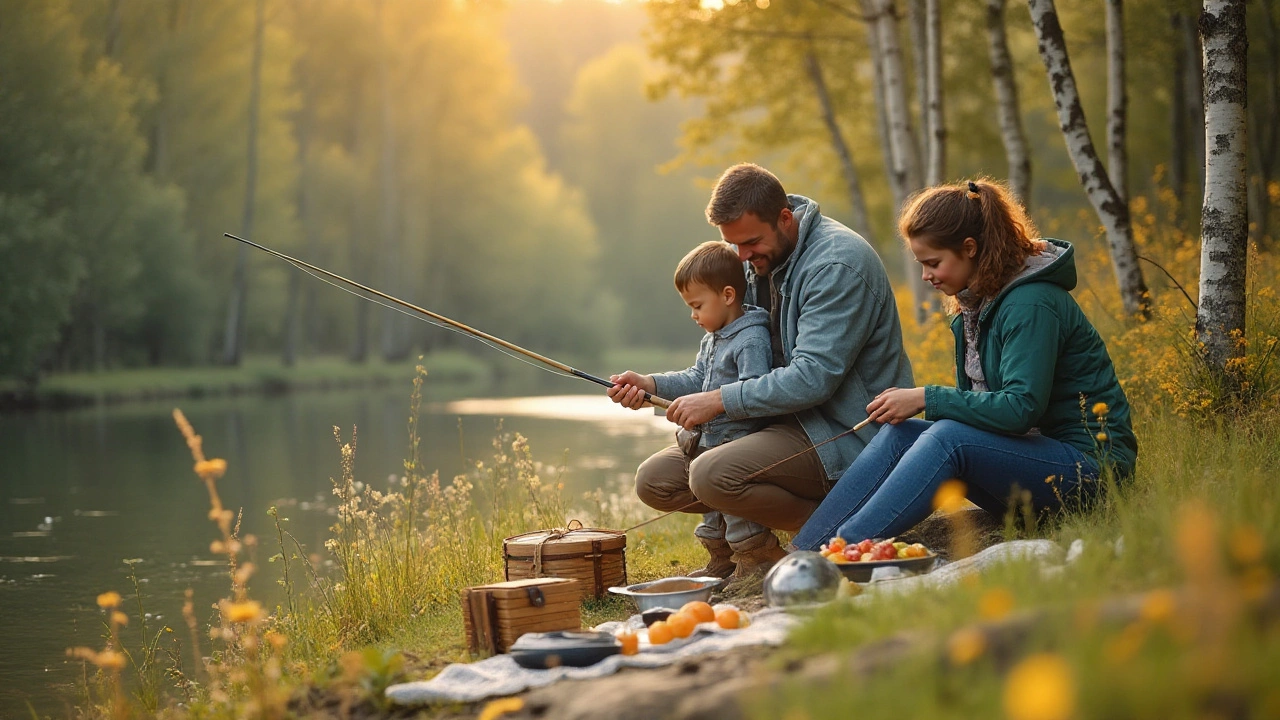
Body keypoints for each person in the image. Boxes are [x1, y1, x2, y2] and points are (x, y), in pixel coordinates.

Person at [793, 179, 1138, 552]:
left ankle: (838, 554)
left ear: (969, 249)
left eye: (933, 263)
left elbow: (1020, 408)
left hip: (1089, 473)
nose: (926, 276)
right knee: (900, 435)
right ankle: (803, 552)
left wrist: (927, 396)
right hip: (1031, 465)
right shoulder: (976, 305)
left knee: (947, 437)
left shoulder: (1030, 303)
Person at [609, 163, 913, 577]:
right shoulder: (757, 263)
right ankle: (732, 555)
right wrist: (650, 386)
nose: (743, 258)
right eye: (733, 245)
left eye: (751, 243)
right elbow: (713, 370)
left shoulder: (837, 265)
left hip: (847, 435)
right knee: (657, 480)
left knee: (712, 474)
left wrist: (717, 403)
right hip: (780, 426)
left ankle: (836, 528)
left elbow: (813, 378)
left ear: (785, 218)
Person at [644, 240, 773, 578]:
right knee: (713, 515)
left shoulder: (751, 339)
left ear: (728, 296)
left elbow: (755, 393)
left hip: (736, 445)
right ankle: (722, 560)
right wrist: (650, 384)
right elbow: (698, 377)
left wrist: (713, 408)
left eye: (697, 305)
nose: (693, 315)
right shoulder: (715, 336)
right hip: (709, 442)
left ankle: (757, 562)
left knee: (738, 517)